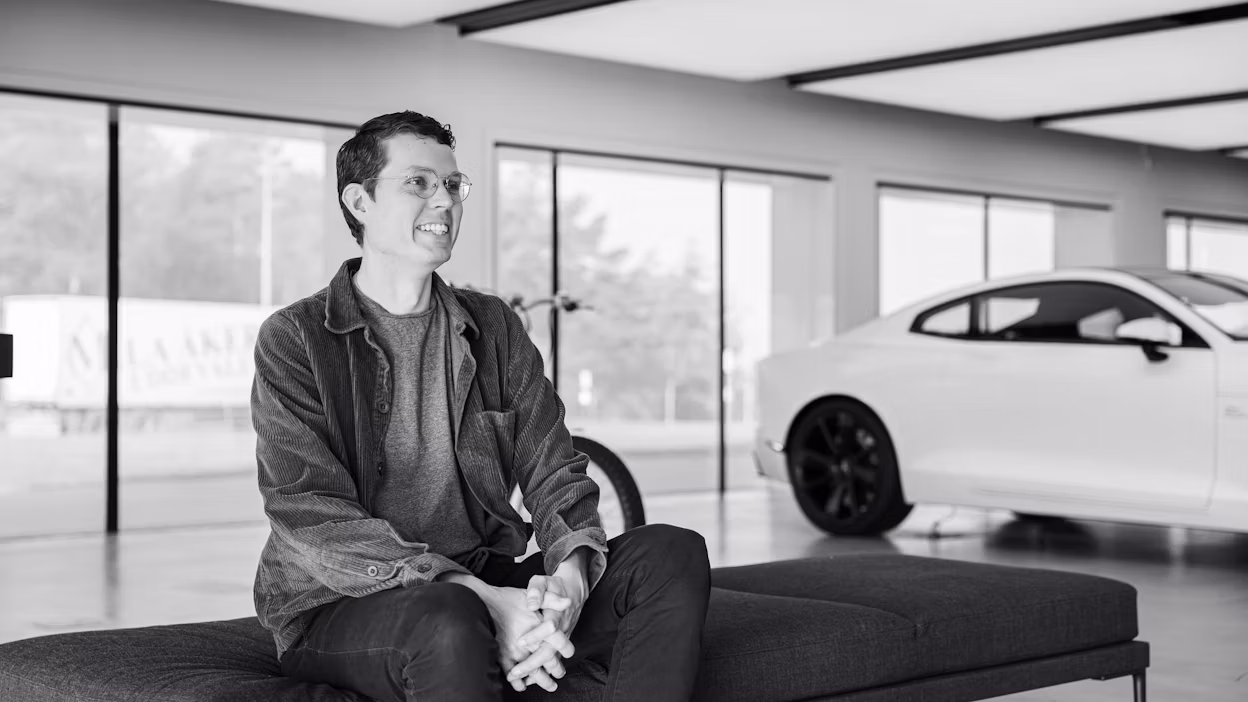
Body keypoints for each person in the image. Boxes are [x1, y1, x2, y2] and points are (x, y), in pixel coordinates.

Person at [249, 110, 712, 702]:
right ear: (360, 202)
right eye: (418, 182)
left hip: (481, 577)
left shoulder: (492, 326)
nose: (443, 200)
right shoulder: (296, 337)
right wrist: (486, 602)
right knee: (449, 617)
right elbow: (309, 512)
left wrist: (568, 580)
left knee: (669, 553)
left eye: (452, 185)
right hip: (341, 602)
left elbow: (552, 466)